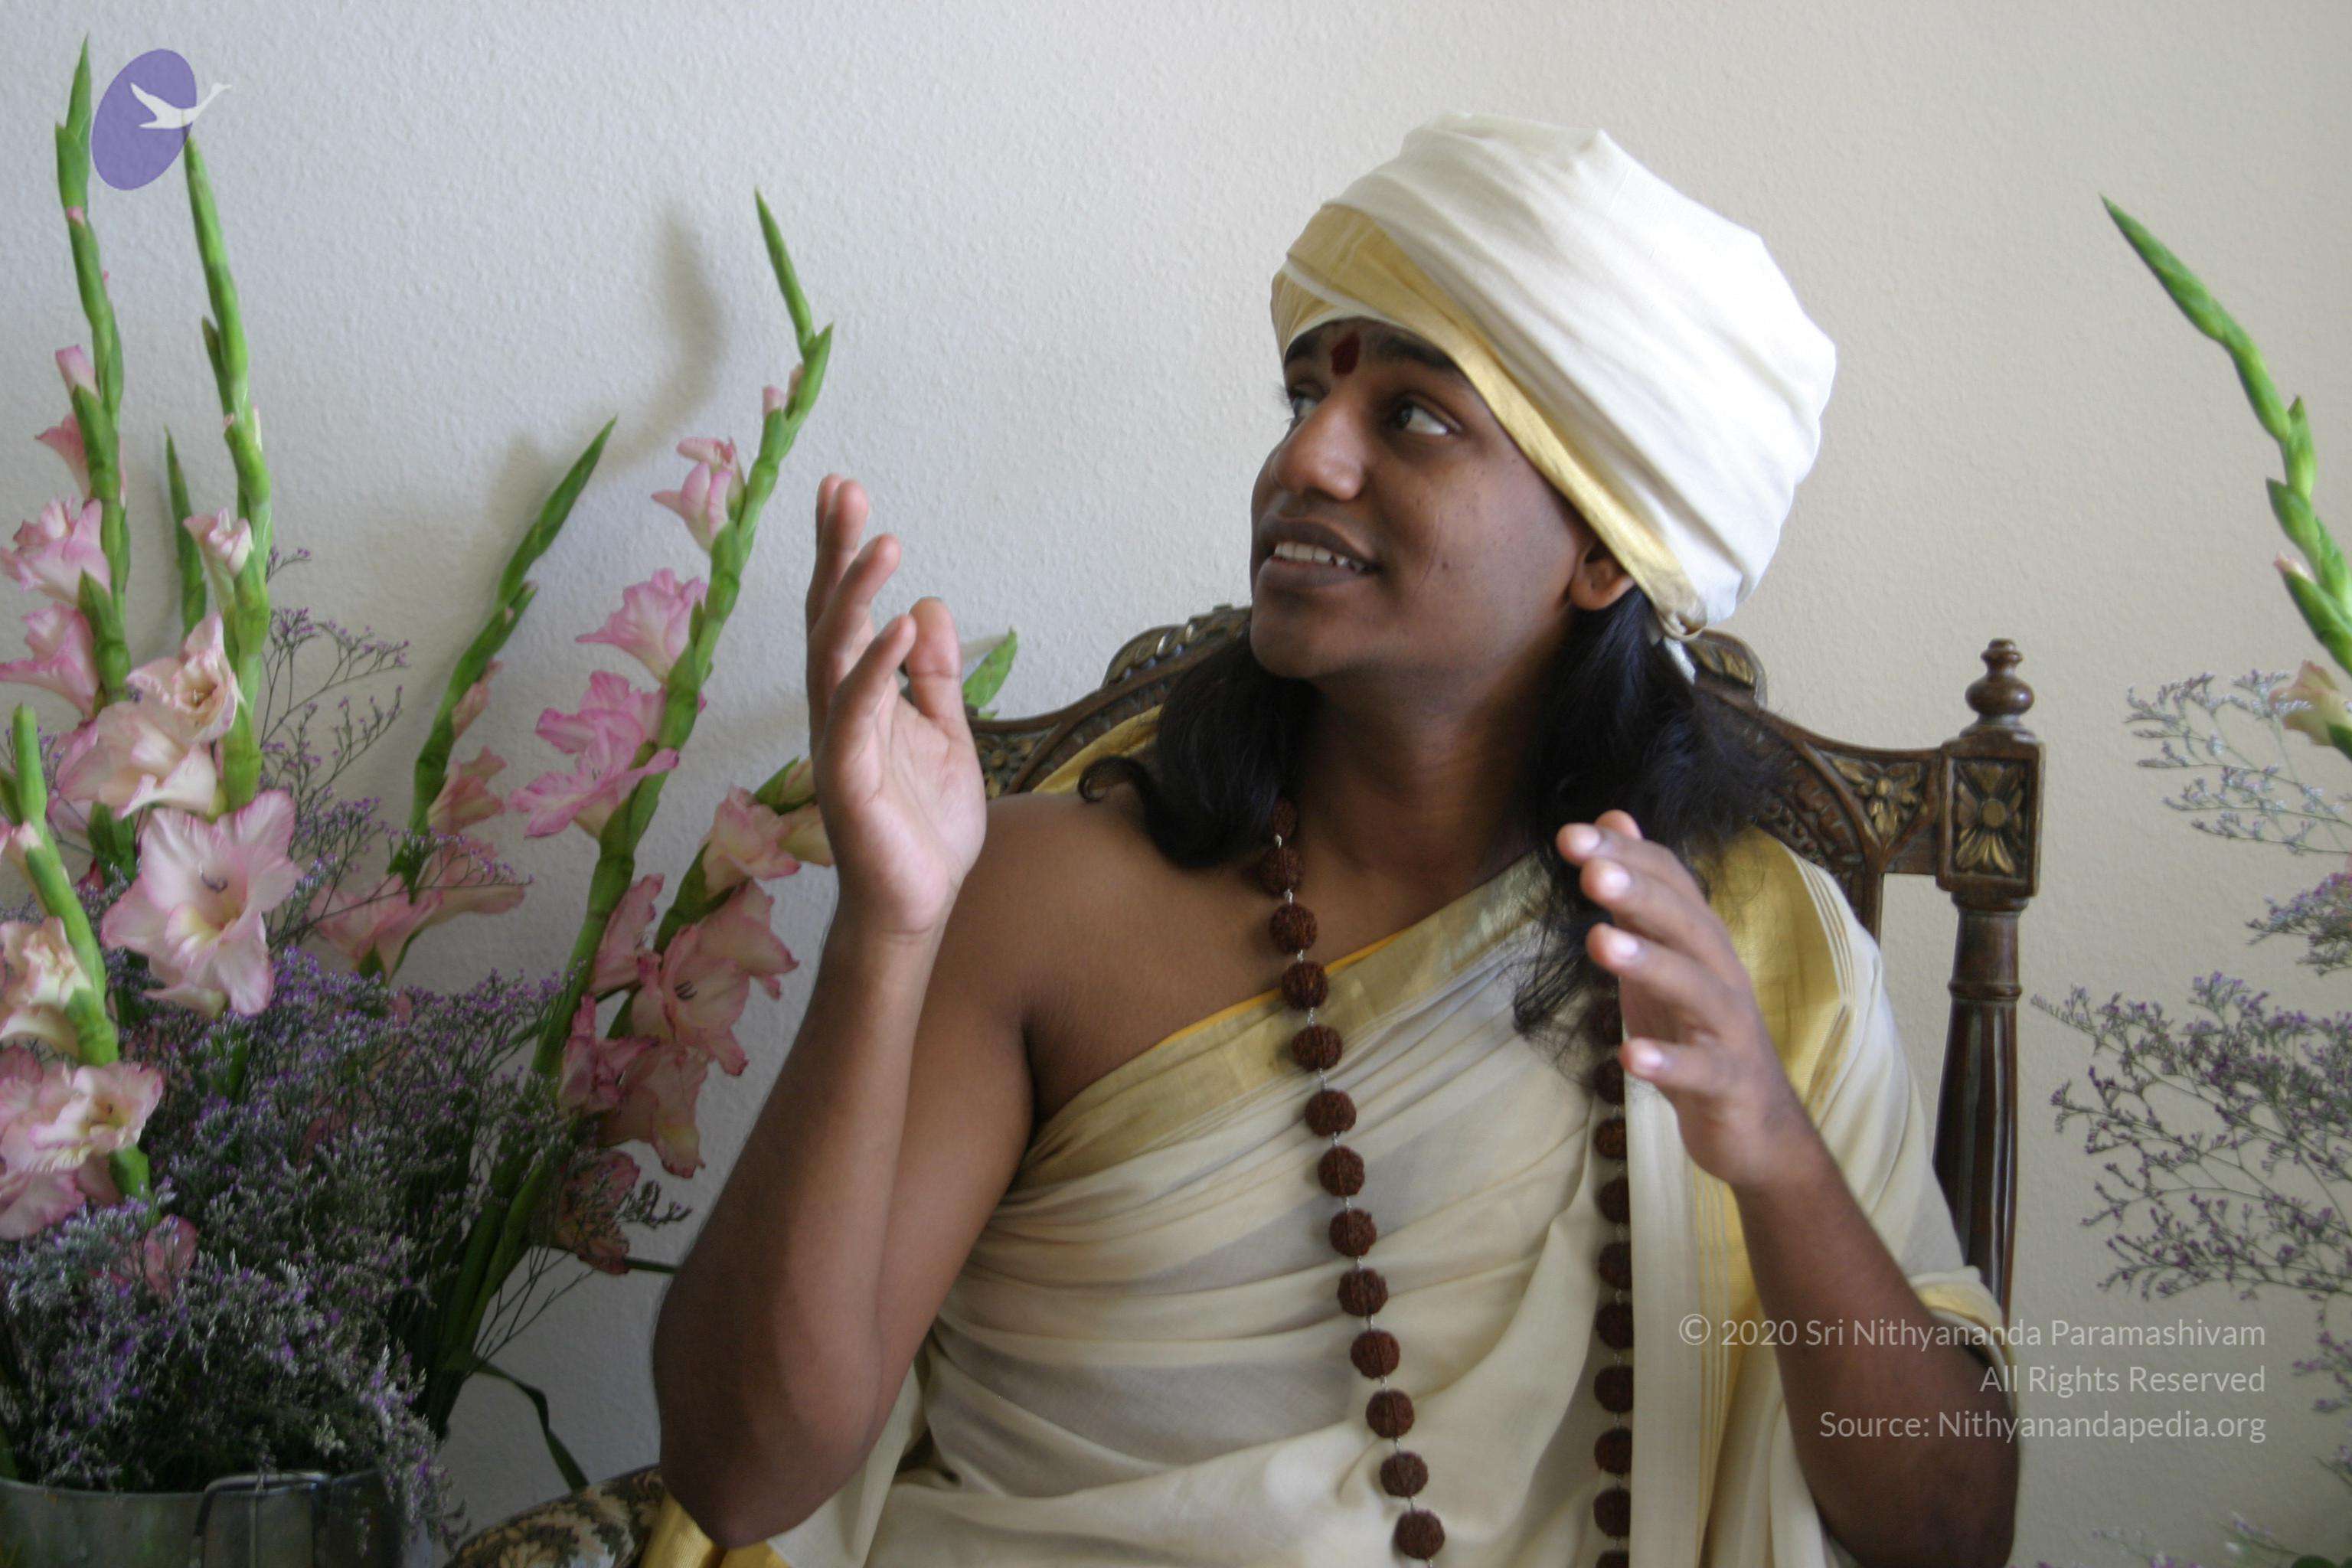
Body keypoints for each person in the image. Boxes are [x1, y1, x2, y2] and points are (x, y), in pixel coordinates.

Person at [647, 115, 2019, 1567]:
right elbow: (742, 1479)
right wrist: (884, 936)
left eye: (1413, 415)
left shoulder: (1745, 951)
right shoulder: (1044, 900)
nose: (1304, 454)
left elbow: (1949, 1533)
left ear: (1603, 550)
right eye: (1305, 392)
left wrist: (1777, 1160)